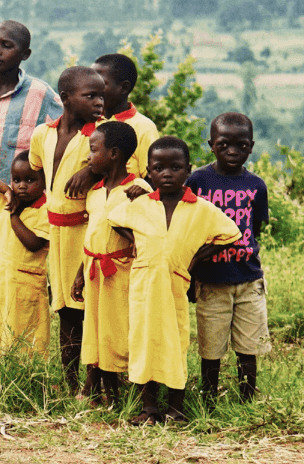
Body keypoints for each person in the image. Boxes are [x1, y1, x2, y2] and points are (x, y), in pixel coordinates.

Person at [107, 136, 241, 424]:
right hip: (143, 285)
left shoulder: (200, 209)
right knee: (144, 342)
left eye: (175, 167)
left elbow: (231, 233)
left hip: (175, 286)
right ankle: (149, 408)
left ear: (188, 170)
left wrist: (195, 258)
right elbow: (115, 218)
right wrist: (139, 241)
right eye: (159, 168)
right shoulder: (142, 205)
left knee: (174, 342)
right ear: (149, 172)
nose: (167, 174)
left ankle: (176, 408)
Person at [0, 20, 62, 278]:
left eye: (6, 46)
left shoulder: (41, 94)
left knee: (19, 273)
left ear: (24, 54)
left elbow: (62, 136)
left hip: (21, 206)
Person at [29, 66, 104, 390]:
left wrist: (92, 171)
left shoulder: (100, 137)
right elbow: (34, 172)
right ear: (65, 99)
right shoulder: (43, 134)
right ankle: (71, 381)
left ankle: (94, 383)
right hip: (55, 234)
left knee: (89, 306)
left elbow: (117, 171)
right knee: (64, 307)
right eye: (90, 96)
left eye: (102, 95)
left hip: (86, 231)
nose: (99, 102)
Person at [188, 112, 271, 401]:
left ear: (251, 146)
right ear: (211, 144)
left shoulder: (257, 185)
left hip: (248, 277)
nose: (233, 152)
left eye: (241, 145)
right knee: (211, 345)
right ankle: (207, 396)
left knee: (249, 344)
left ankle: (247, 396)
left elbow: (255, 227)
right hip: (211, 279)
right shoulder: (198, 180)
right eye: (224, 145)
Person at [71, 121, 148, 406]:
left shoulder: (137, 189)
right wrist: (80, 273)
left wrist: (147, 196)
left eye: (93, 150)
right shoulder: (96, 192)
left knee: (117, 331)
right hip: (94, 271)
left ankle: (123, 394)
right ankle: (97, 388)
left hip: (121, 273)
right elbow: (92, 235)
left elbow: (146, 226)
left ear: (114, 154)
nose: (89, 157)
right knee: (94, 328)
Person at [0, 153, 51, 360]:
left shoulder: (46, 210)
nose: (22, 186)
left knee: (24, 331)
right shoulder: (5, 199)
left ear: (44, 181)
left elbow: (33, 243)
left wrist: (13, 215)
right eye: (16, 180)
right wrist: (5, 190)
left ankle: (24, 373)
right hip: (0, 278)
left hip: (26, 284)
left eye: (30, 180)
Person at [93, 53, 159, 177]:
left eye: (101, 83)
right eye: (91, 82)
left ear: (124, 87)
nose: (93, 88)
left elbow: (152, 178)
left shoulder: (143, 127)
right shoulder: (88, 121)